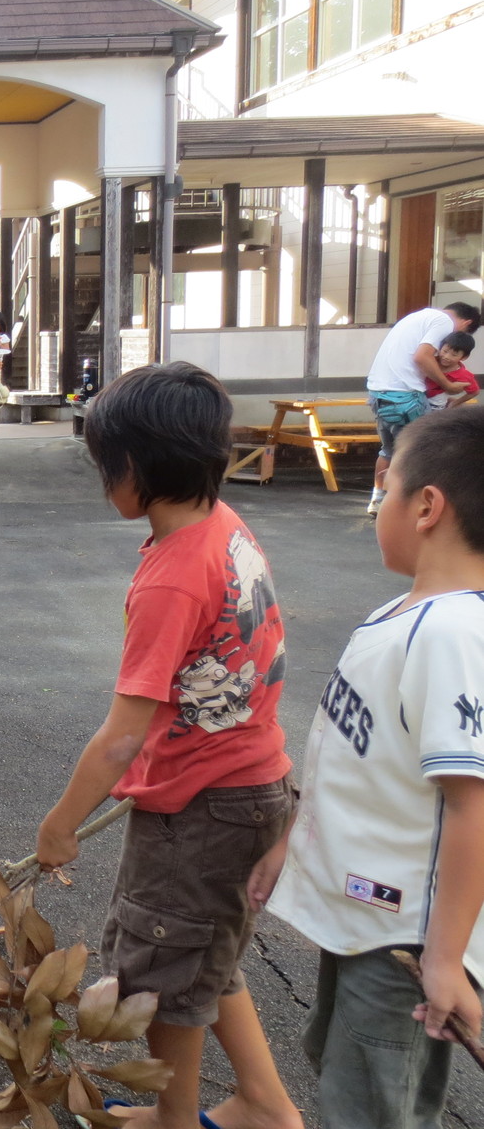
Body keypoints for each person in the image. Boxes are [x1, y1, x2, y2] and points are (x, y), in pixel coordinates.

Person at [37, 362, 301, 1129]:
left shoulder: (171, 580)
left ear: (140, 470)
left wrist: (60, 824)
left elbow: (122, 737)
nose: (101, 482)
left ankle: (174, 1120)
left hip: (202, 812)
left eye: (104, 467)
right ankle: (263, 1104)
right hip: (255, 786)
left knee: (161, 974)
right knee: (203, 958)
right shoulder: (223, 525)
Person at [253, 405, 484, 1129]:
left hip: (404, 945)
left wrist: (445, 960)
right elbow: (351, 758)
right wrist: (293, 840)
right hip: (366, 921)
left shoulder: (451, 633)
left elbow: (472, 804)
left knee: (375, 1103)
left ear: (426, 506)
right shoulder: (404, 614)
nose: (374, 502)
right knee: (344, 1067)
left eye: (383, 486)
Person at [364, 302, 481, 517]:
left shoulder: (417, 316)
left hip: (379, 393)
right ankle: (405, 505)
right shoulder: (443, 321)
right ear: (466, 323)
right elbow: (422, 356)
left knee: (389, 450)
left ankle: (378, 498)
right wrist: (448, 386)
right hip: (406, 396)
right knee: (422, 451)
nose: (448, 344)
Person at [423, 331, 477, 411]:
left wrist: (455, 403)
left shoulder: (463, 374)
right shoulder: (431, 361)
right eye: (445, 351)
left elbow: (474, 392)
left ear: (464, 357)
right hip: (418, 400)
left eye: (454, 355)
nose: (446, 357)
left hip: (436, 407)